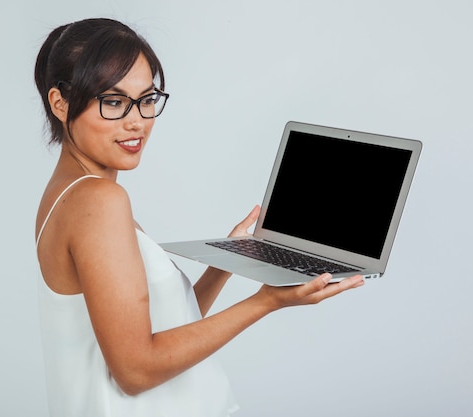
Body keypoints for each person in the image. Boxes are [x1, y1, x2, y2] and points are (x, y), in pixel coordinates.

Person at [33, 18, 365, 417]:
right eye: (114, 101)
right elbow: (135, 370)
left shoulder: (68, 194)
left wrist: (226, 265)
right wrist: (267, 302)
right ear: (60, 103)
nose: (137, 120)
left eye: (147, 98)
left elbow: (160, 331)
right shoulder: (100, 200)